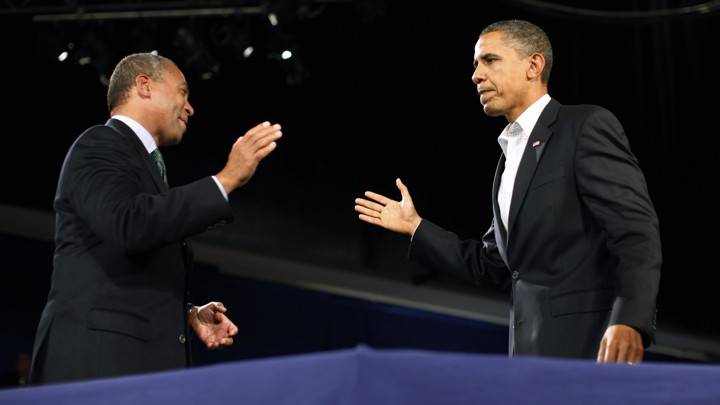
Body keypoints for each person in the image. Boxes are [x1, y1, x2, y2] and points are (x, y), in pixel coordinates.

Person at [354, 19, 661, 364]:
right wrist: (416, 227)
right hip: (527, 358)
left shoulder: (584, 126)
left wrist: (629, 319)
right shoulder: (507, 162)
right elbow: (494, 266)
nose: (476, 75)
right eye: (475, 65)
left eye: (490, 60)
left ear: (533, 65)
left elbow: (635, 232)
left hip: (590, 348)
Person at [29, 52, 283, 384]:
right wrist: (226, 179)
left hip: (131, 368)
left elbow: (128, 258)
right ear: (144, 85)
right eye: (183, 91)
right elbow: (130, 225)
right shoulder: (100, 144)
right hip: (98, 366)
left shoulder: (143, 163)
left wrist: (188, 314)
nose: (190, 107)